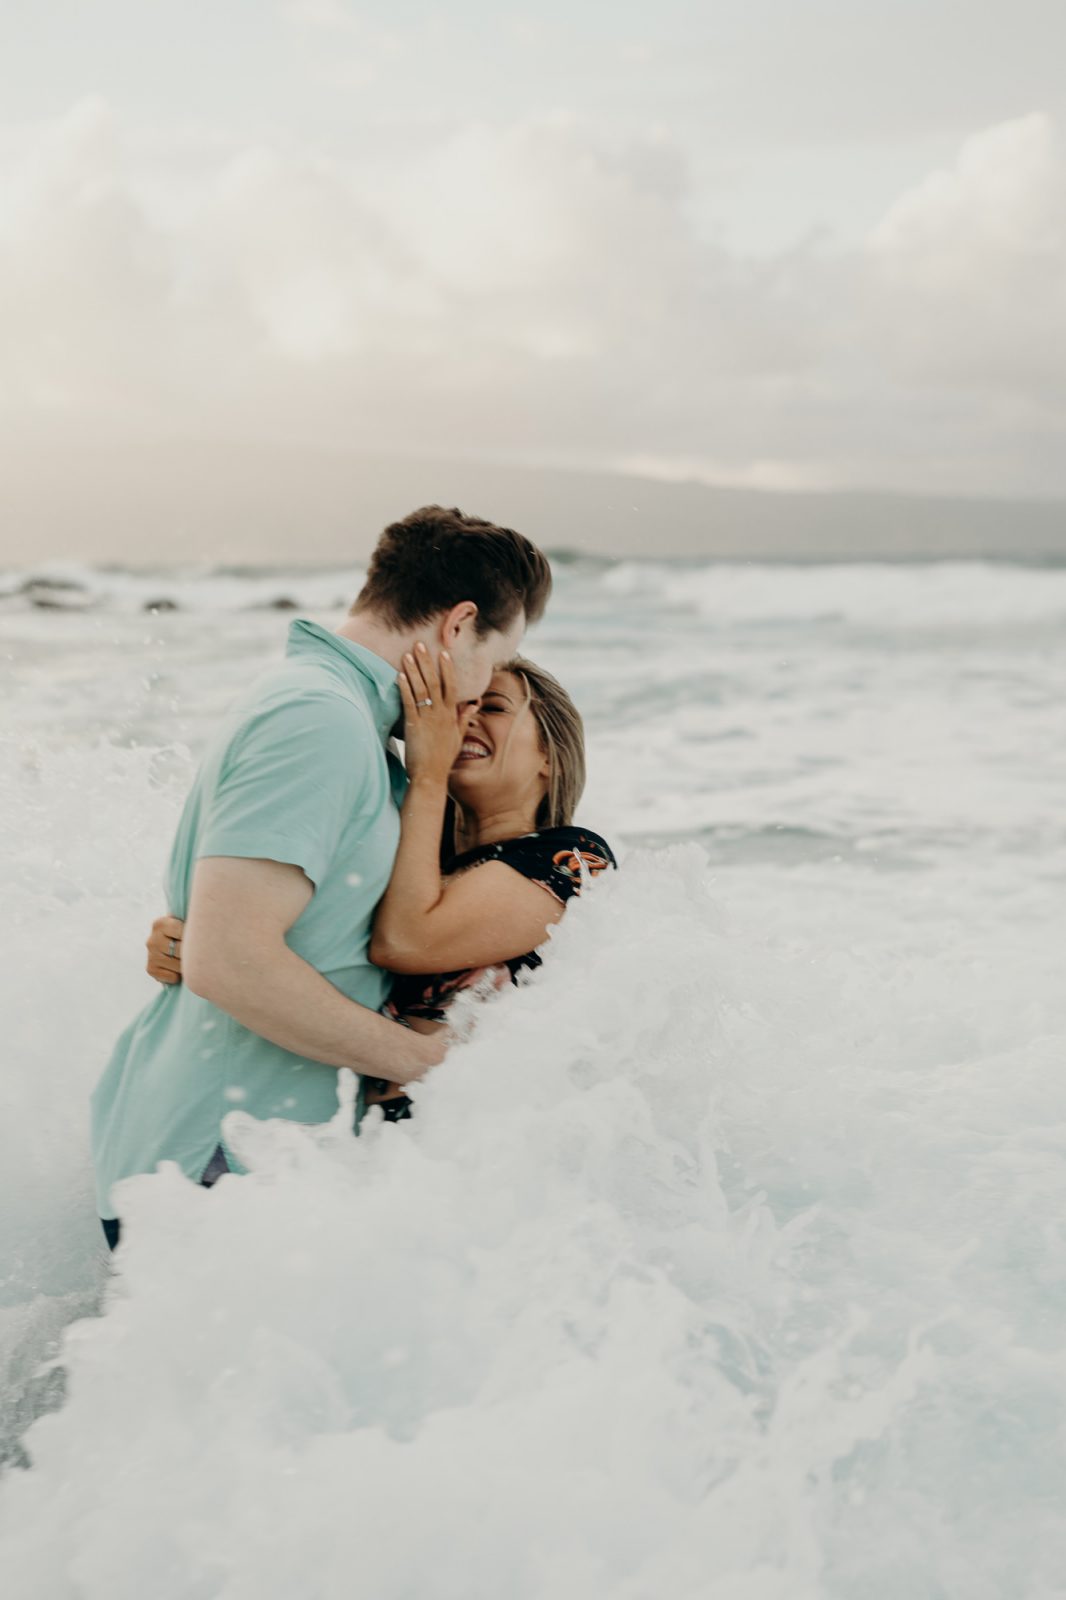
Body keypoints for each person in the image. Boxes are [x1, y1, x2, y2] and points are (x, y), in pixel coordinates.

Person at [91, 506, 552, 1247]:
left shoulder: (345, 721)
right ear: (459, 625)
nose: (479, 691)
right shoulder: (318, 718)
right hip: (218, 1163)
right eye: (494, 660)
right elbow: (231, 959)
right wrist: (430, 1063)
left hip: (256, 1158)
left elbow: (242, 934)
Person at [147, 650, 616, 1121]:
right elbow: (301, 941)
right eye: (459, 708)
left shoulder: (576, 859)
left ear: (550, 757)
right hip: (359, 1147)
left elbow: (406, 941)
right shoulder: (411, 866)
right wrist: (199, 938)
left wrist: (427, 774)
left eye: (491, 707)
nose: (465, 720)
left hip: (472, 1146)